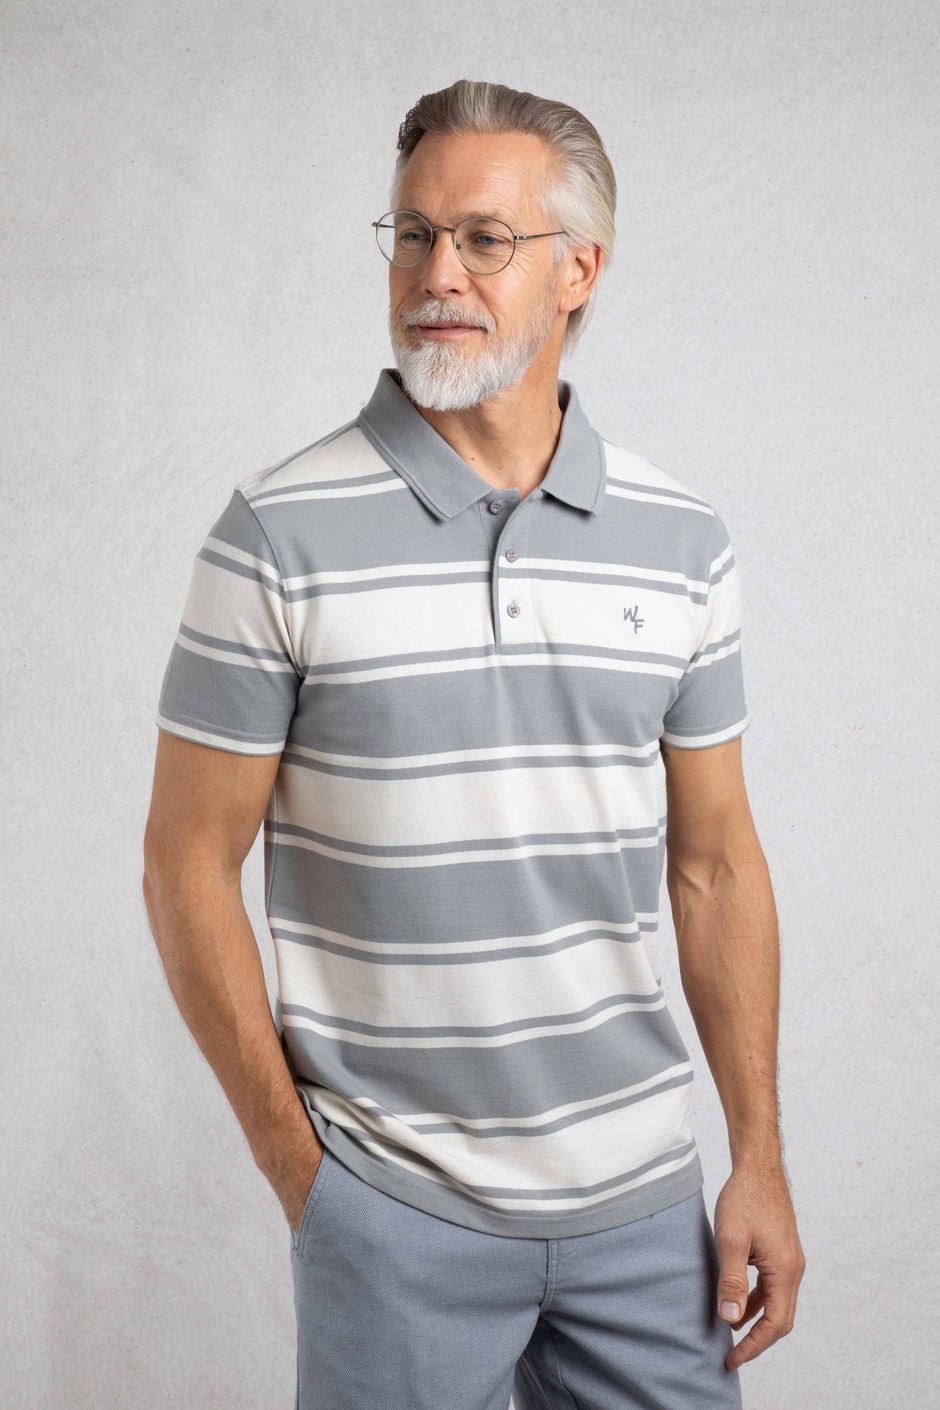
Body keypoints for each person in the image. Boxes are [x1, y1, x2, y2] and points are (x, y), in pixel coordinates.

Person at [143, 78, 804, 1410]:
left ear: (580, 271)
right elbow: (184, 867)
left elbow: (717, 866)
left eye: (484, 239)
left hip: (644, 1215)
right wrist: (305, 1175)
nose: (436, 273)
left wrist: (759, 1157)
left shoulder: (682, 539)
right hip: (393, 1218)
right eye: (413, 233)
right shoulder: (275, 531)